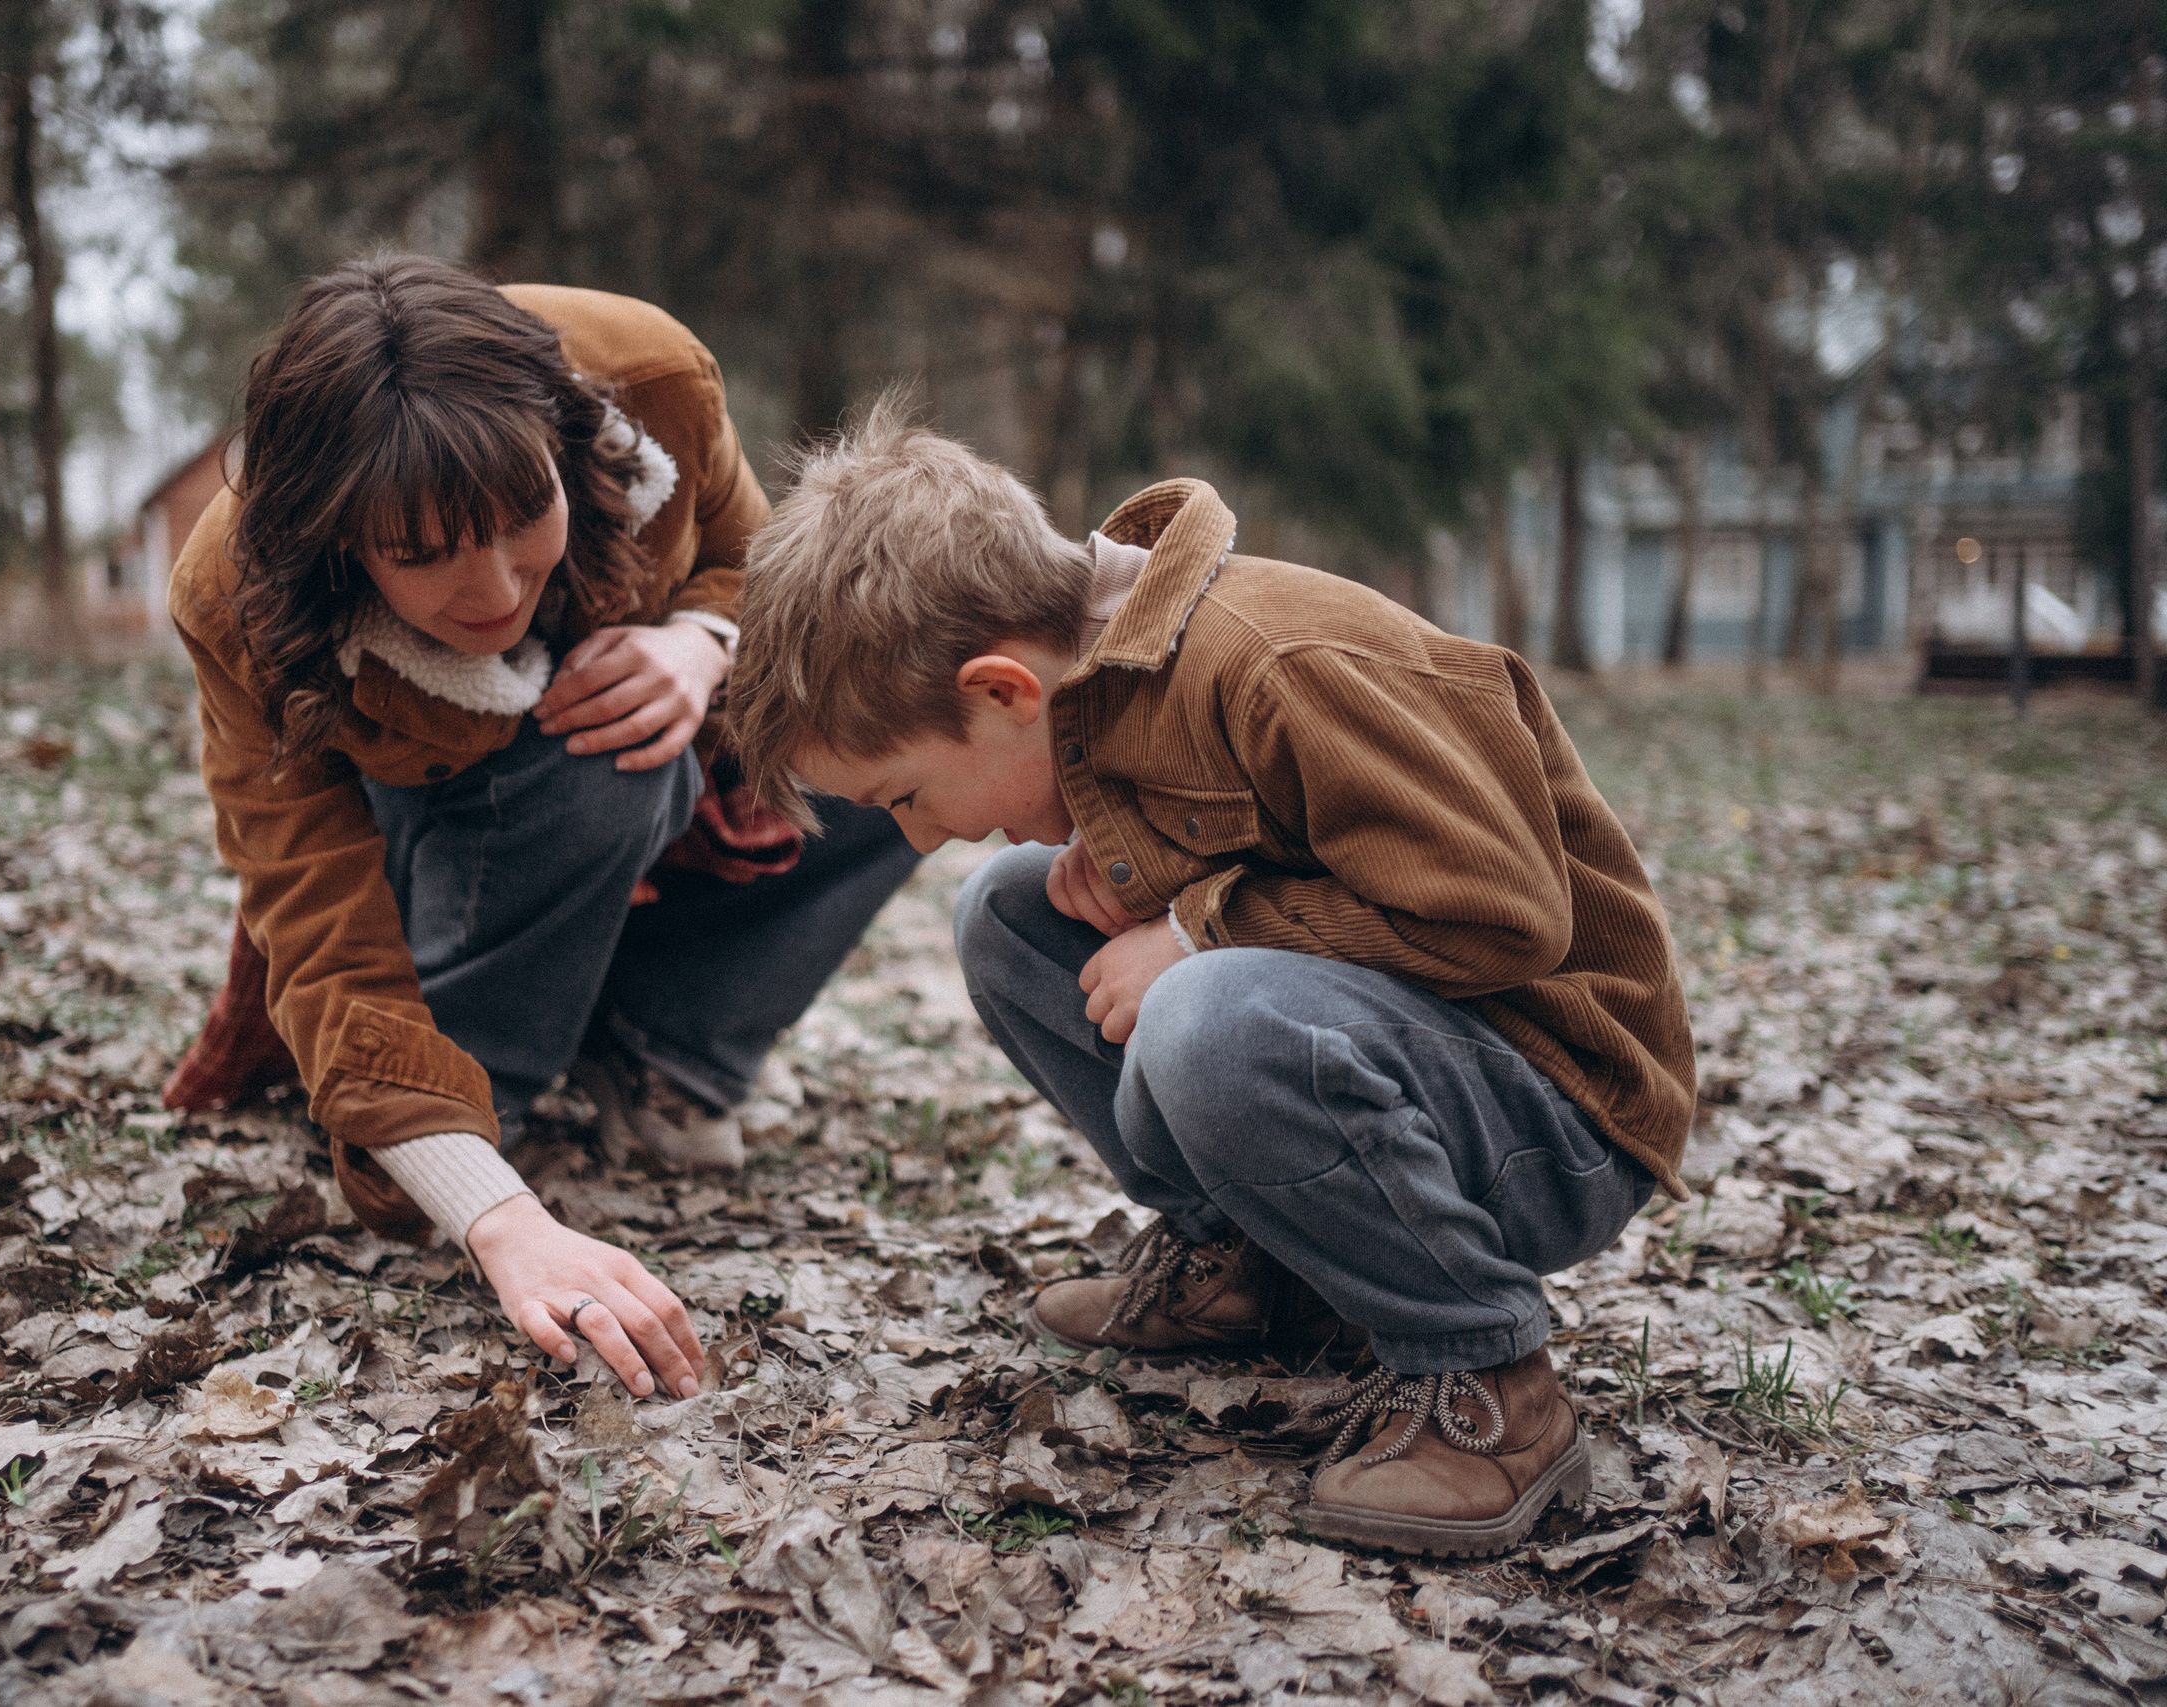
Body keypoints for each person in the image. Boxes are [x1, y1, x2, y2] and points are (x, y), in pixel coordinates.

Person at [722, 407, 1695, 1559]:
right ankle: (1249, 1268)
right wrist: (1160, 881)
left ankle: (1487, 1374)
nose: (923, 835)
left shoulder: (1279, 658)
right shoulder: (1114, 688)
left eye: (902, 795)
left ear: (1001, 693)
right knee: (1007, 913)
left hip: (1556, 1110)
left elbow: (1498, 914)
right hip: (1417, 1064)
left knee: (1202, 1013)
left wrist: (1197, 928)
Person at [165, 255, 919, 1402]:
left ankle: (658, 1061)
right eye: (421, 553)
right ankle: (489, 1097)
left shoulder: (653, 377)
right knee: (607, 765)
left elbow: (759, 568)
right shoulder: (238, 595)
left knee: (902, 719)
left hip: (646, 779)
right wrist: (499, 1218)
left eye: (526, 516)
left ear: (570, 445)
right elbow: (316, 925)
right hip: (451, 825)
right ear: (337, 545)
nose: (497, 587)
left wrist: (701, 645)